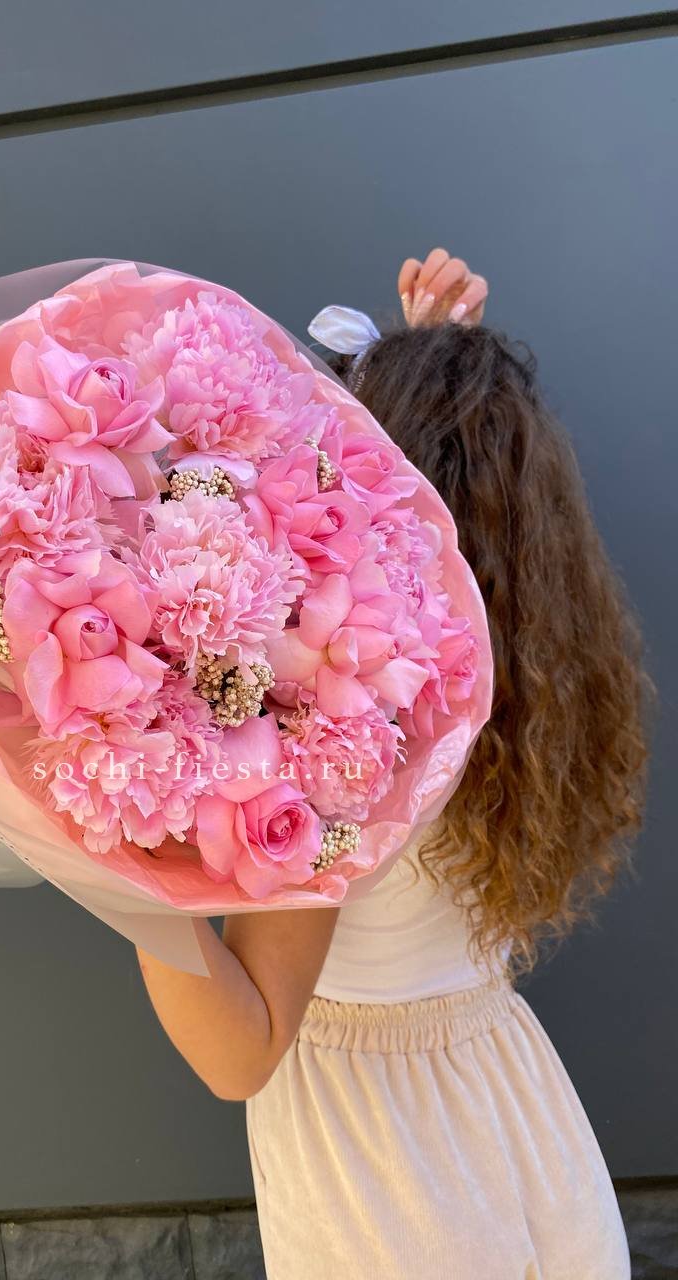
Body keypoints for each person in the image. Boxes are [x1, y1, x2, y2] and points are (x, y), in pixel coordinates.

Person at [136, 248, 651, 1278]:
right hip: (518, 1119)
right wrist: (431, 361)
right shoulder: (530, 681)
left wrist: (127, 866)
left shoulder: (338, 726)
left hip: (388, 1180)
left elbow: (241, 1051)